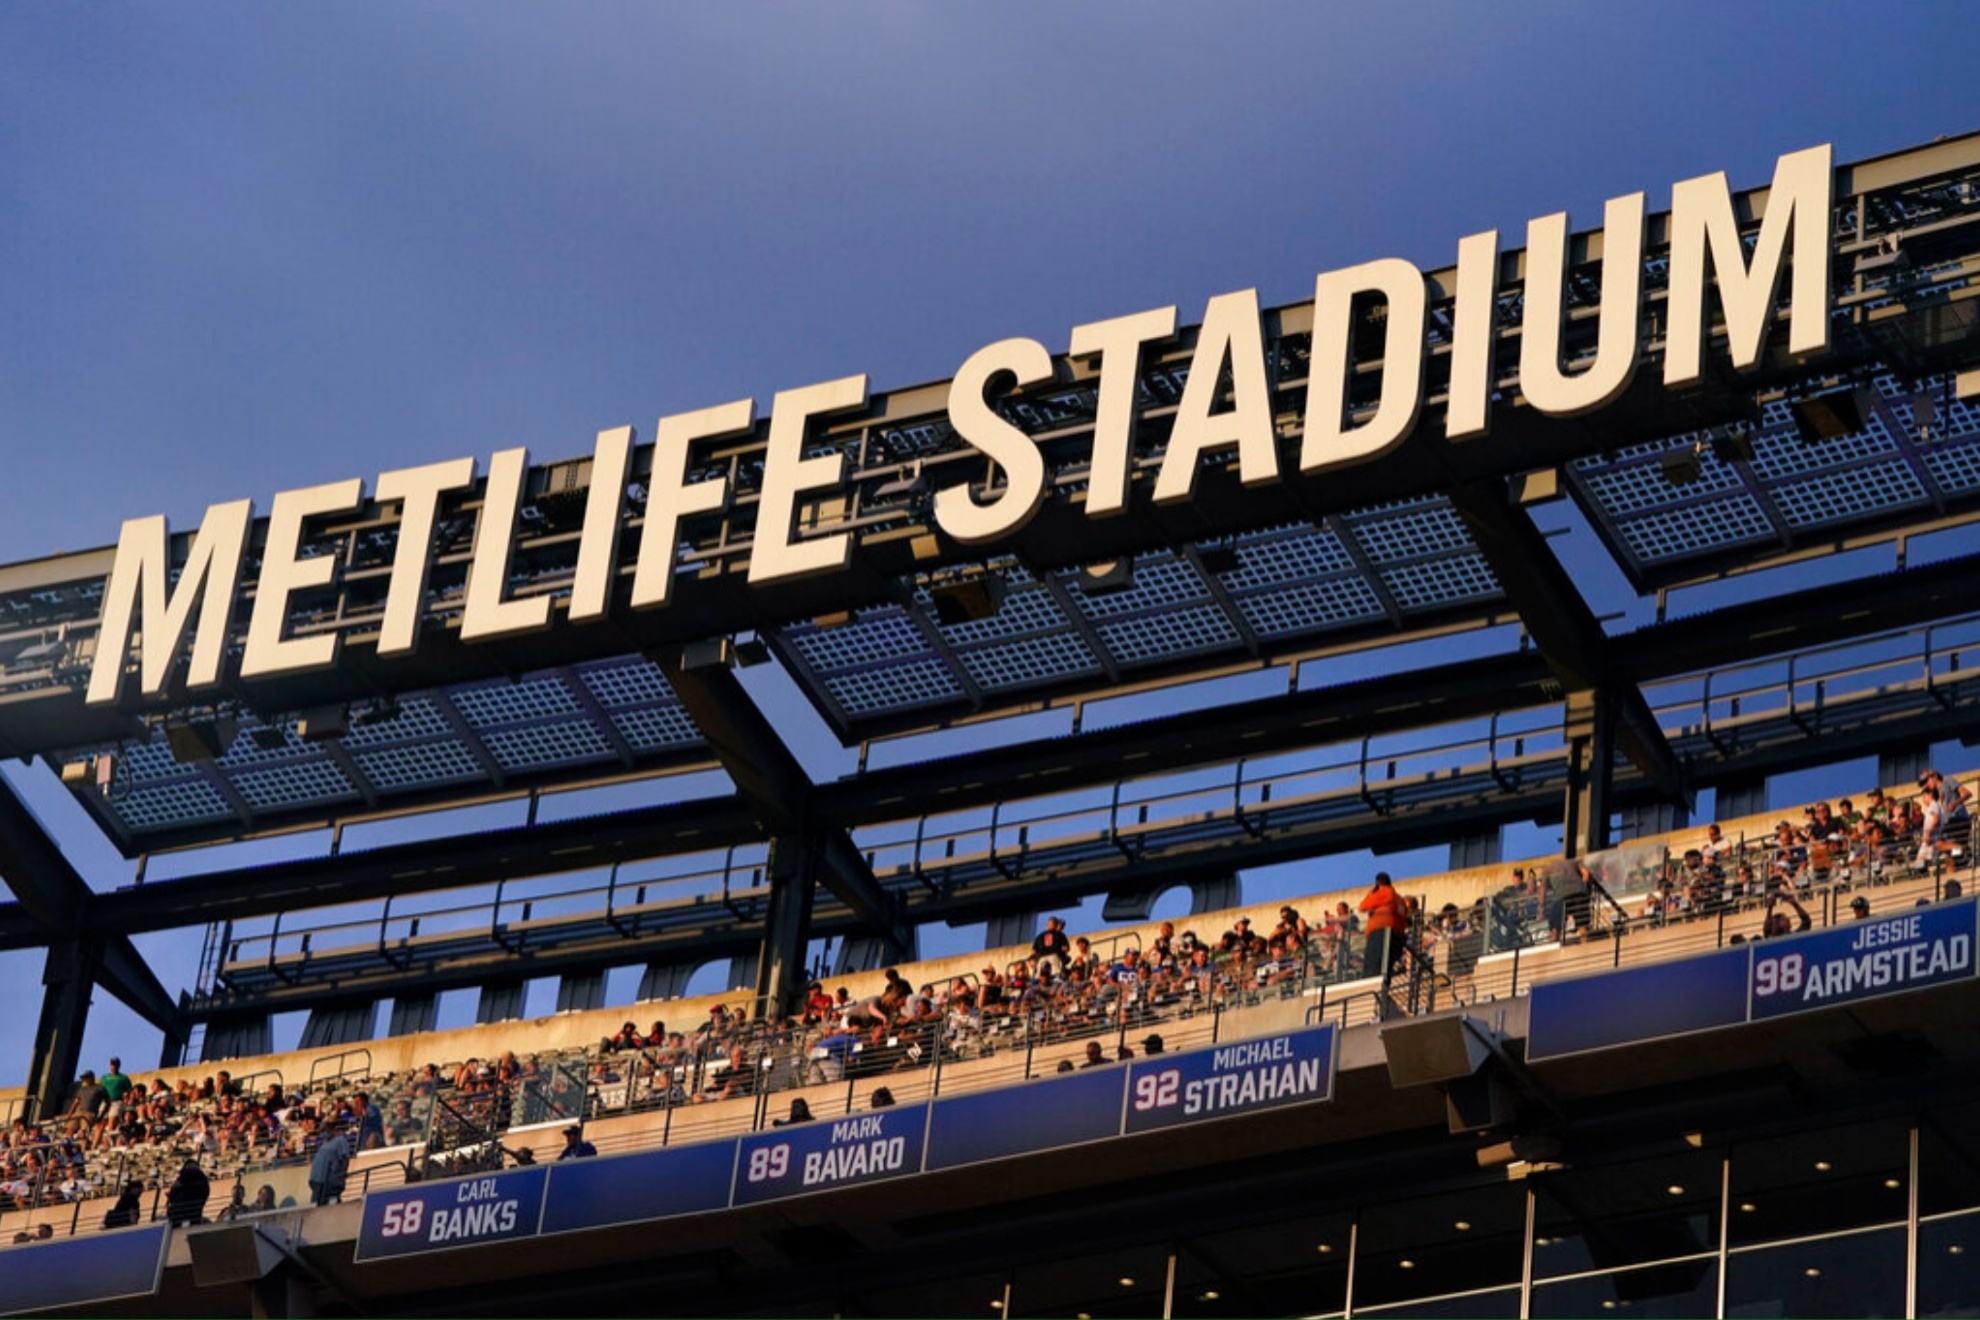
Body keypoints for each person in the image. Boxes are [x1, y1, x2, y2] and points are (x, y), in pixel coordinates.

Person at [1359, 872, 1411, 977]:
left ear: (1378, 882)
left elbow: (1362, 906)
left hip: (1380, 933)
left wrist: (1372, 892)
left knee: (1374, 967)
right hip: (1397, 935)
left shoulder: (1384, 893)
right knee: (1387, 966)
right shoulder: (1399, 899)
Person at [308, 1122, 353, 1207]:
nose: (321, 1134)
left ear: (330, 1129)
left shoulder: (340, 1140)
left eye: (323, 1131)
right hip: (318, 1180)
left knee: (330, 1203)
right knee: (316, 1205)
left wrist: (341, 1174)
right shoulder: (325, 1143)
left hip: (331, 1180)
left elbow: (344, 1159)